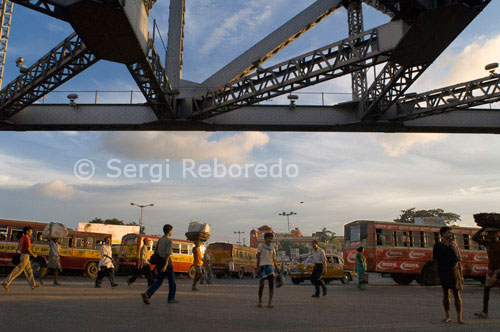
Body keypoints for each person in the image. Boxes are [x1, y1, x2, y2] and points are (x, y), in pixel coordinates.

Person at [433, 226, 464, 324]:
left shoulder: (454, 245)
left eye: (451, 232)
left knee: (457, 294)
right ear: (442, 234)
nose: (451, 234)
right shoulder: (437, 246)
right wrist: (437, 276)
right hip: (443, 272)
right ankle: (448, 316)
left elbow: (459, 261)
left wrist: (461, 275)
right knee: (446, 294)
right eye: (448, 232)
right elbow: (435, 262)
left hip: (455, 272)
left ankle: (459, 317)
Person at [141, 224, 177, 304]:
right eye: (171, 230)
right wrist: (166, 264)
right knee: (172, 282)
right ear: (169, 231)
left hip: (159, 261)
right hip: (166, 262)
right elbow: (168, 253)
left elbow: (156, 251)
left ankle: (147, 294)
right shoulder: (169, 241)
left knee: (158, 281)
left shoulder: (160, 240)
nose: (172, 232)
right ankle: (170, 299)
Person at [472, 227, 500, 318]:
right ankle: (484, 312)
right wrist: (483, 228)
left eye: (493, 234)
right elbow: (474, 238)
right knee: (486, 290)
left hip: (499, 270)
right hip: (491, 270)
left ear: (497, 234)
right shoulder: (487, 243)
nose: (491, 236)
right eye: (489, 234)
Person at [2, 226, 40, 292]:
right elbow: (28, 248)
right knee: (18, 270)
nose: (31, 232)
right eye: (31, 231)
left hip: (23, 255)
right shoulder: (27, 238)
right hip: (25, 255)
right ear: (27, 231)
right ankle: (6, 282)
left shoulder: (22, 237)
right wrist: (33, 254)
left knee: (29, 270)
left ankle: (33, 284)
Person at [256, 232, 280, 308]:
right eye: (268, 238)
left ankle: (270, 303)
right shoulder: (260, 246)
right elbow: (258, 257)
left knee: (271, 285)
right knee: (261, 284)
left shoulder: (273, 248)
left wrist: (277, 268)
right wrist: (257, 267)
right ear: (265, 239)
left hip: (270, 267)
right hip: (262, 266)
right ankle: (260, 301)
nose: (269, 240)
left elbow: (274, 260)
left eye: (270, 238)